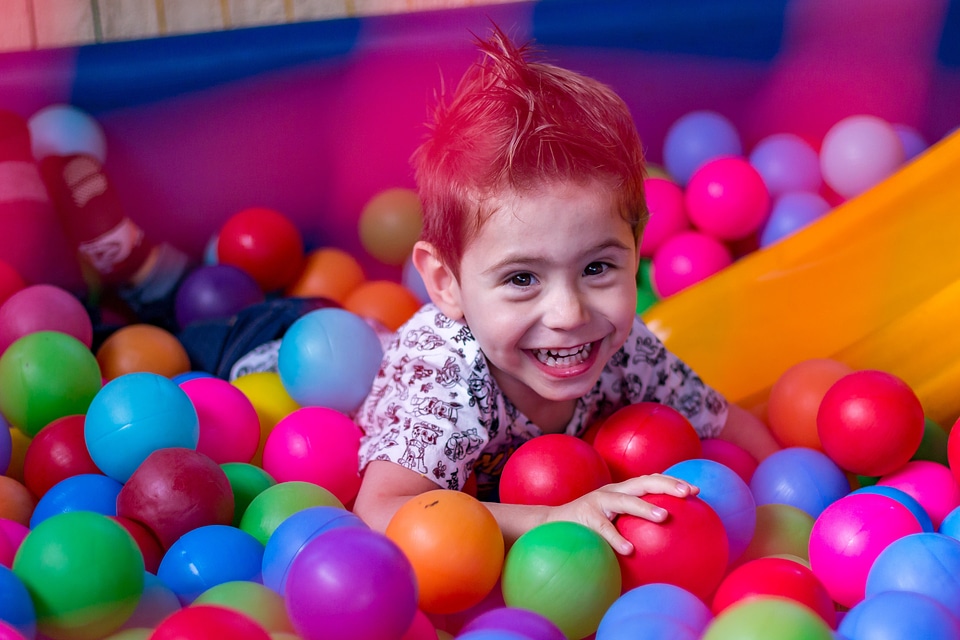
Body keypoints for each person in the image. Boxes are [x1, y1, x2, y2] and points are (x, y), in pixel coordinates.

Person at [351, 27, 780, 555]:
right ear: (446, 284)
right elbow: (379, 511)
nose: (569, 313)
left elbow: (728, 424)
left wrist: (784, 504)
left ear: (636, 246)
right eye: (522, 278)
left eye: (597, 268)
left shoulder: (628, 349)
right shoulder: (451, 381)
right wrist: (556, 519)